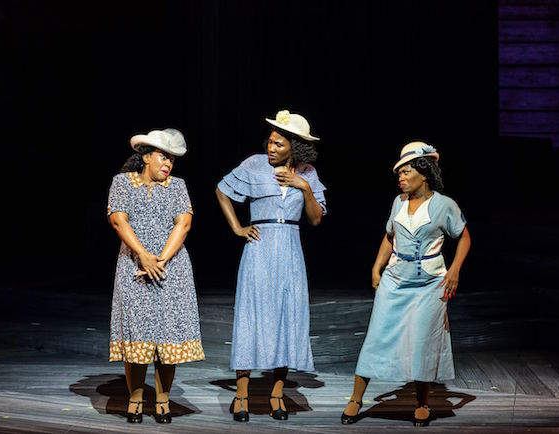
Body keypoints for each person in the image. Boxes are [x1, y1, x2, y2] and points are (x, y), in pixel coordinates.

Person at [341, 141, 471, 426]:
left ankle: (422, 402)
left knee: (423, 341)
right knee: (377, 336)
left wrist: (455, 270)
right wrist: (377, 267)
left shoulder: (444, 205)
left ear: (423, 173)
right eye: (399, 172)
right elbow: (389, 237)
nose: (400, 177)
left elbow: (464, 237)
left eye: (406, 171)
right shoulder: (397, 203)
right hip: (395, 281)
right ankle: (355, 398)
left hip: (430, 285)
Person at [215, 110, 326, 422]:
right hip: (260, 248)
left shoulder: (308, 173)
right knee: (251, 315)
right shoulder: (254, 165)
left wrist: (302, 186)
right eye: (270, 142)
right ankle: (241, 394)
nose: (271, 148)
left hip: (290, 248)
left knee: (286, 318)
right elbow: (222, 191)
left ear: (295, 147)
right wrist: (237, 227)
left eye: (279, 144)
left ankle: (277, 394)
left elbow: (316, 219)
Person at [107, 128, 204, 424]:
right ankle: (135, 400)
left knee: (167, 335)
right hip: (133, 266)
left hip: (170, 268)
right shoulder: (122, 182)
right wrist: (143, 256)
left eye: (173, 160)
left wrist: (159, 259)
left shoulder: (177, 186)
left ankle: (162, 400)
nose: (169, 164)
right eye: (164, 157)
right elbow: (118, 221)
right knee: (138, 334)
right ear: (146, 156)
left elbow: (183, 224)